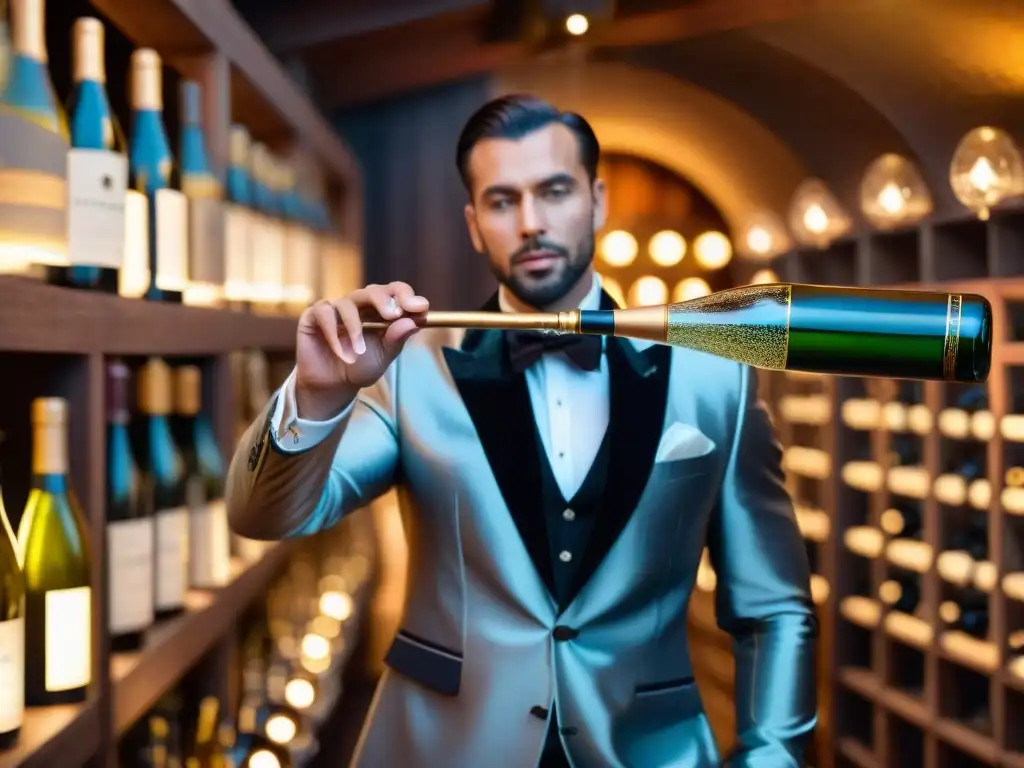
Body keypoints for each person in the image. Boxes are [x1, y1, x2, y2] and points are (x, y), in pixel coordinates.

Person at [226, 94, 818, 767]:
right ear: (475, 225)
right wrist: (319, 391)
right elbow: (265, 514)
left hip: (647, 750)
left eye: (554, 191)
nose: (531, 222)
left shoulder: (716, 379)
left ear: (595, 202)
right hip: (443, 748)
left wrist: (772, 756)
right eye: (503, 201)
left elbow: (774, 610)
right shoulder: (408, 369)